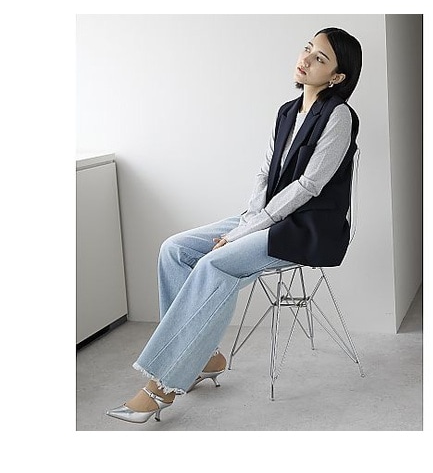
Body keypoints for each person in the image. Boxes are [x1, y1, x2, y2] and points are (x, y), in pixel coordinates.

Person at [106, 27, 362, 424]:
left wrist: (245, 232)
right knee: (176, 249)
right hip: (265, 217)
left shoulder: (340, 116)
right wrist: (249, 219)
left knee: (214, 263)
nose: (307, 59)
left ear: (337, 77)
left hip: (307, 227)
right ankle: (205, 358)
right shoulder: (287, 111)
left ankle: (162, 384)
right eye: (308, 49)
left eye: (320, 58)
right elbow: (265, 172)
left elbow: (309, 186)